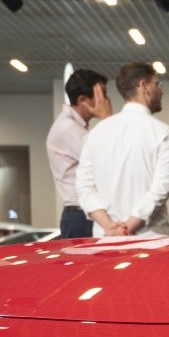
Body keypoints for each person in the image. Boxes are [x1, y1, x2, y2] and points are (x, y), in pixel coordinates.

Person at [75, 61, 169, 238]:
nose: (161, 91)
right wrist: (127, 228)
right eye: (157, 84)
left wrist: (112, 229)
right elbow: (160, 190)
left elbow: (84, 188)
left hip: (106, 240)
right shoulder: (162, 132)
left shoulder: (96, 133)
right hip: (150, 241)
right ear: (144, 86)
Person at [46, 68, 111, 239]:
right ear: (83, 99)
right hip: (80, 215)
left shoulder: (74, 127)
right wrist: (107, 119)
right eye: (101, 94)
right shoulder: (69, 129)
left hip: (82, 214)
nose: (106, 100)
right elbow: (107, 159)